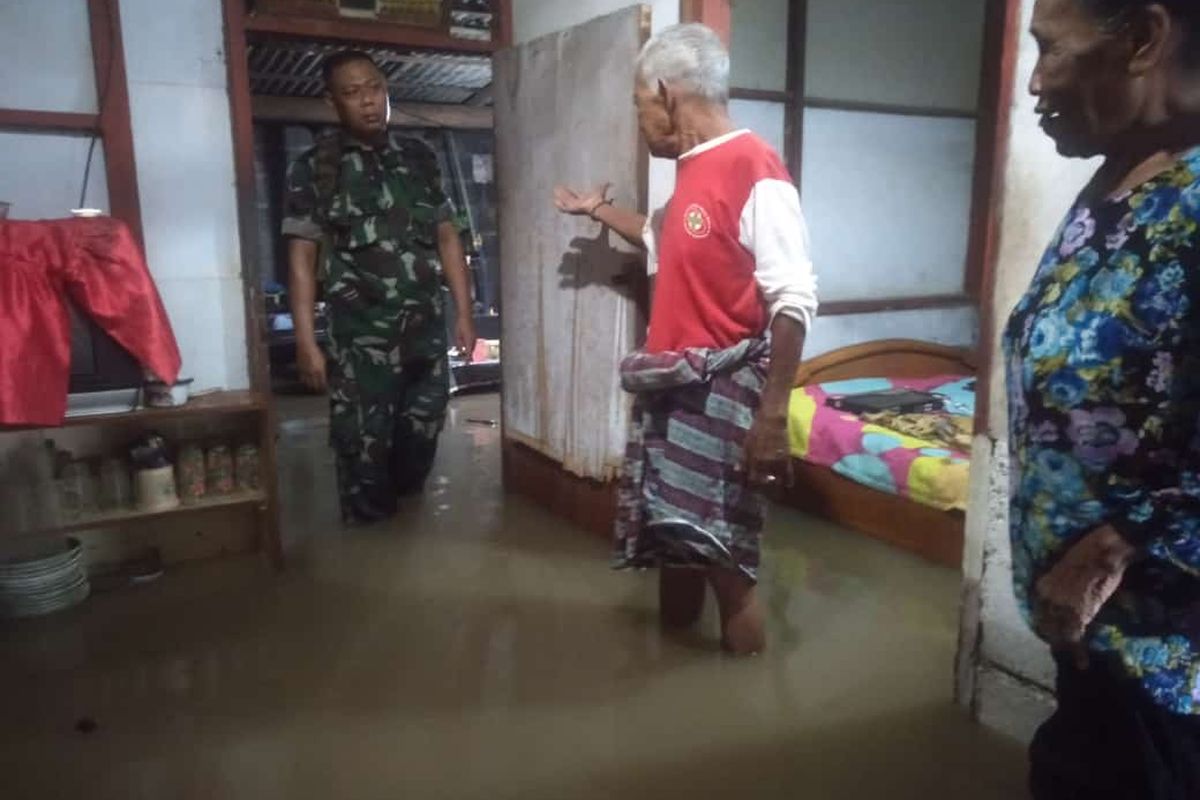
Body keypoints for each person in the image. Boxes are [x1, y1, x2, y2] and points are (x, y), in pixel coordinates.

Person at [553, 24, 818, 654]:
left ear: (666, 95)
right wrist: (596, 212)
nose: (639, 120)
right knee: (674, 545)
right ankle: (672, 683)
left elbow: (795, 298)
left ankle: (742, 700)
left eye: (638, 105)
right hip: (671, 392)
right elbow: (661, 236)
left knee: (727, 565)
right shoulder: (691, 171)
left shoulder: (754, 167)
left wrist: (772, 418)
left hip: (723, 401)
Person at [1004, 0, 1200, 795]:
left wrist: (1110, 548)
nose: (1035, 83)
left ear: (1144, 39)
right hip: (1092, 648)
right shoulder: (1122, 173)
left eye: (1051, 50)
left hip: (1168, 665)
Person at [282, 50, 476, 524]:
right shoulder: (315, 168)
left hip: (425, 337)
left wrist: (465, 314)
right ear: (332, 101)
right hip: (360, 346)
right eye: (352, 93)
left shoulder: (419, 158)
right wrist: (306, 342)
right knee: (362, 452)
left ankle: (404, 531)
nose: (368, 101)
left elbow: (447, 236)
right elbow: (302, 259)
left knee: (422, 435)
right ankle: (369, 541)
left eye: (374, 88)